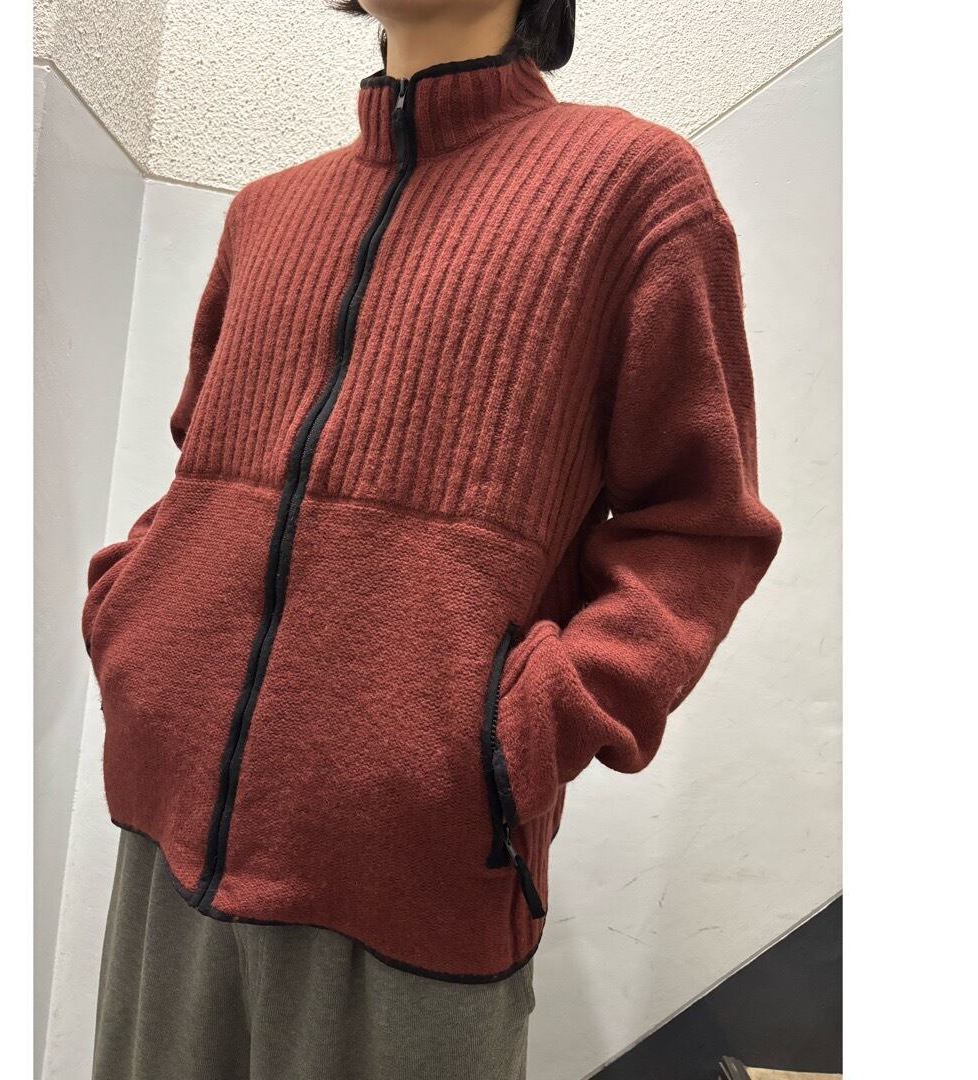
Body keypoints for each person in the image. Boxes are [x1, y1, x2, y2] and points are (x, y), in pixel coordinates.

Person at [83, 1, 782, 1077]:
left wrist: (516, 738)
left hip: (415, 889)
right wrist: (133, 621)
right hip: (162, 834)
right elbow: (198, 478)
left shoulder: (633, 190)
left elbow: (701, 526)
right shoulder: (267, 213)